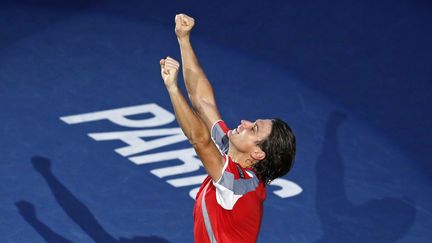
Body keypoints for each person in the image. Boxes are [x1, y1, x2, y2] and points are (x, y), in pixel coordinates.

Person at [159, 13, 296, 243]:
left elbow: (199, 140)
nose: (244, 123)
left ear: (257, 153)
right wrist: (184, 40)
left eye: (253, 129)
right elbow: (203, 102)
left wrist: (173, 89)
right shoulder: (232, 152)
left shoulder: (239, 185)